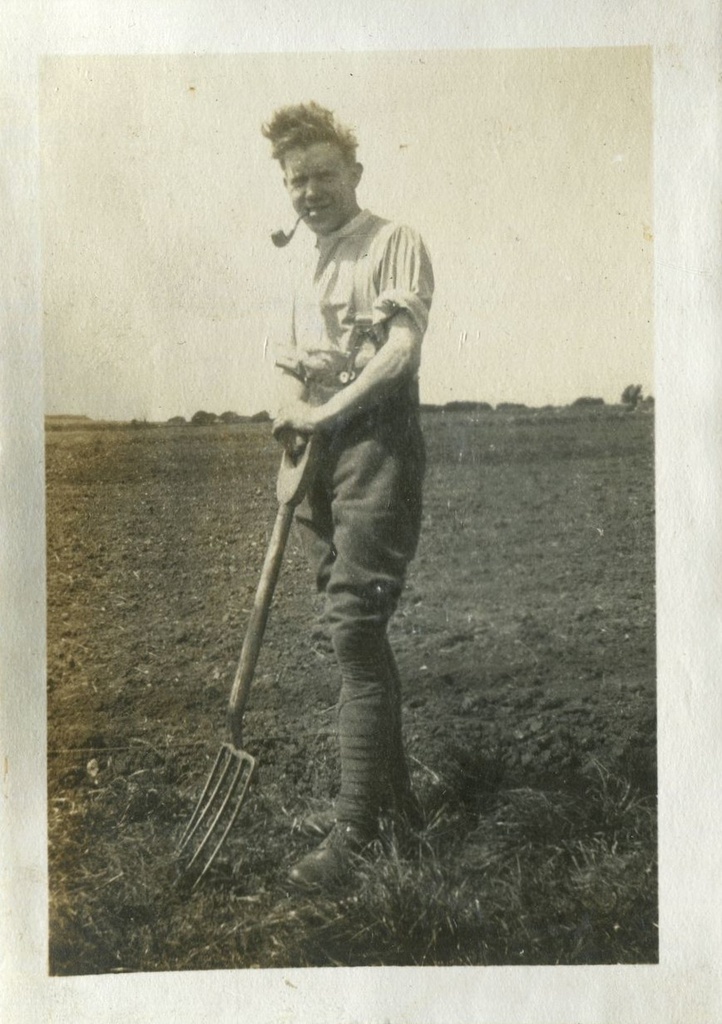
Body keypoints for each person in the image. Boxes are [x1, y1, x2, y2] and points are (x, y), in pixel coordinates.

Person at [262, 102, 434, 889]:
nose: (309, 192)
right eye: (296, 180)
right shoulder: (303, 262)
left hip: (376, 445)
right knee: (352, 627)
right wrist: (292, 428)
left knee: (354, 628)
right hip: (320, 457)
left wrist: (325, 411)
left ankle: (356, 830)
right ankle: (394, 809)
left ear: (354, 175)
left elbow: (397, 356)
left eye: (323, 175)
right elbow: (297, 367)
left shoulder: (391, 242)